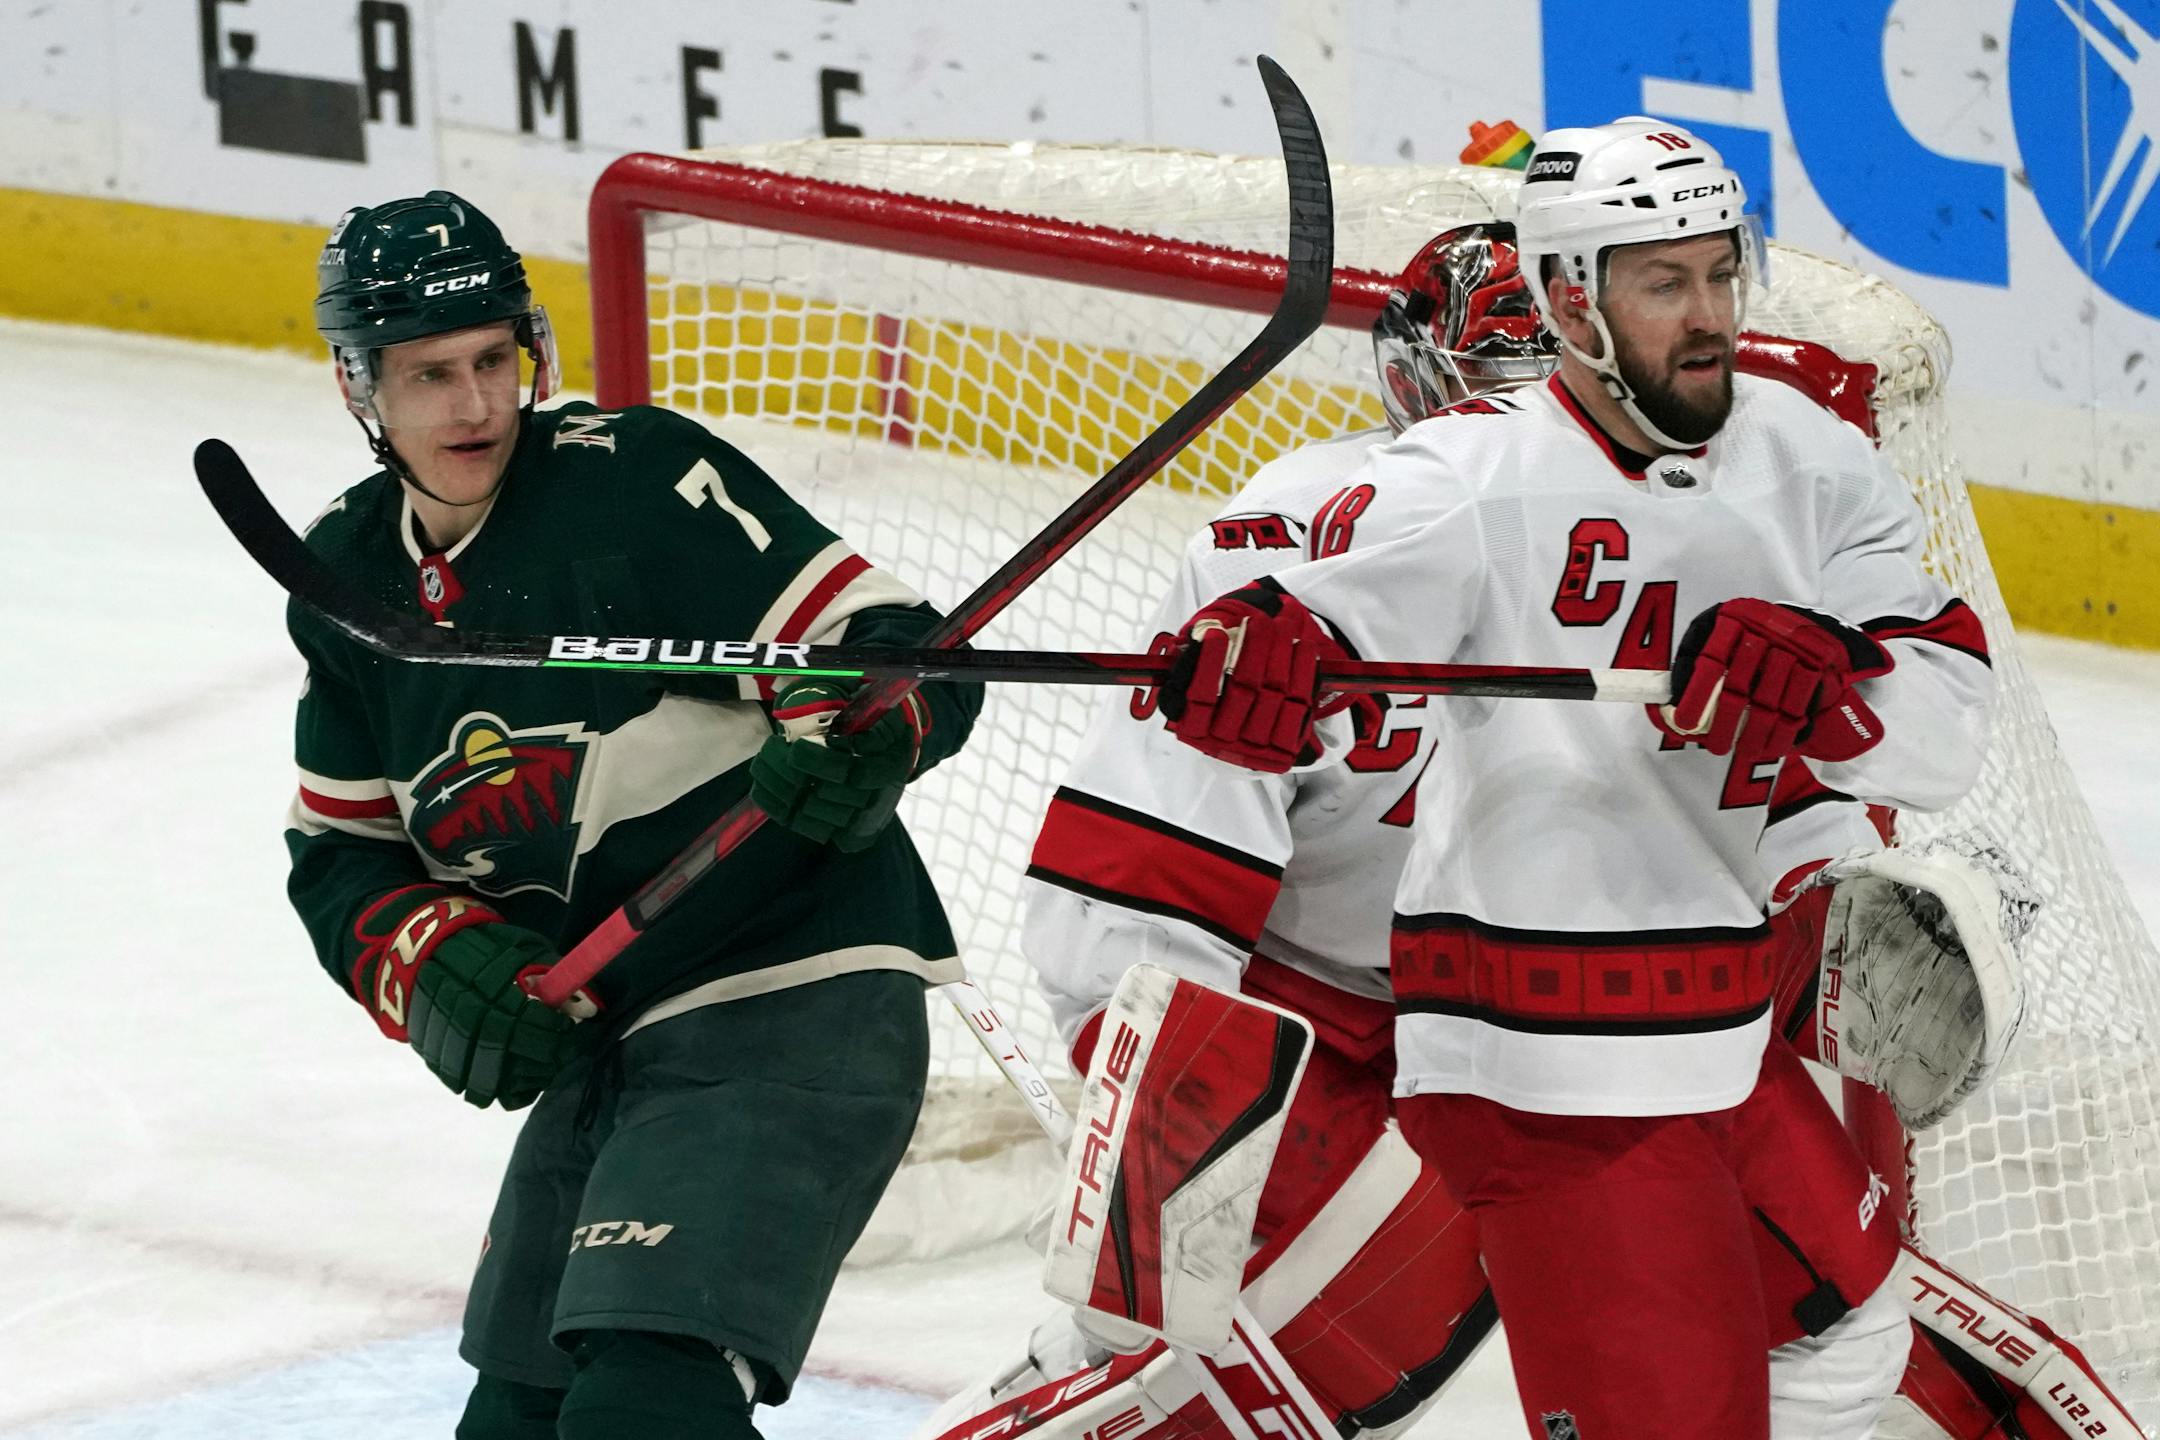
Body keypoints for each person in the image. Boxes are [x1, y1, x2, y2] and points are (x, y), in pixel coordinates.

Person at [1138, 119, 2007, 1439]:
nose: (1707, 313)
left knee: (1843, 1331)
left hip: (1692, 1021)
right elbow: (1304, 641)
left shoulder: (1799, 470)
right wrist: (1262, 656)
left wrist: (1841, 685)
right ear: (1570, 305)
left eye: (1721, 273)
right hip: (1459, 1033)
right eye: (1665, 282)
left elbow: (1938, 729)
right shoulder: (1421, 491)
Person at [283, 191, 982, 1440]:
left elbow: (894, 652)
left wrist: (873, 724)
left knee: (644, 1411)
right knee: (518, 1425)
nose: (478, 403)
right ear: (359, 388)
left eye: (496, 358)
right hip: (610, 1033)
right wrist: (434, 961)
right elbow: (342, 857)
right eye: (432, 373)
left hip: (789, 991)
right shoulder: (344, 576)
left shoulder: (640, 481)